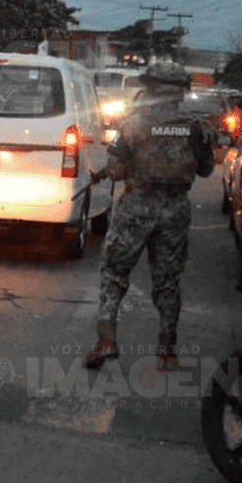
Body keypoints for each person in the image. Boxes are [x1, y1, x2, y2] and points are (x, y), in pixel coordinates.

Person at [84, 60, 215, 372]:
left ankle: (106, 342)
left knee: (114, 275)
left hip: (136, 207)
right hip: (175, 210)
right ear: (181, 91)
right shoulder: (195, 126)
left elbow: (115, 171)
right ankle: (166, 352)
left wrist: (111, 170)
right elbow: (208, 169)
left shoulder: (133, 122)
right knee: (168, 281)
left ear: (149, 86)